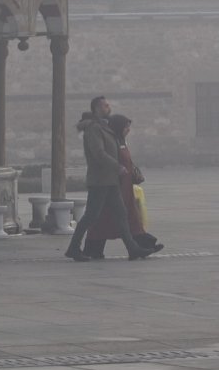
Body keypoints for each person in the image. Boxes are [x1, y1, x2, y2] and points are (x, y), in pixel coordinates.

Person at [64, 97, 154, 262]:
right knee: (91, 216)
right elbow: (98, 153)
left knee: (121, 214)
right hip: (100, 180)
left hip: (110, 180)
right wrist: (117, 166)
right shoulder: (93, 129)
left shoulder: (104, 127)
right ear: (97, 109)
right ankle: (73, 248)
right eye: (106, 105)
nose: (109, 107)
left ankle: (133, 249)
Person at [83, 114, 164, 259]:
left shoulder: (121, 141)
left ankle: (144, 245)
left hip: (125, 187)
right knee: (105, 219)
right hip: (114, 186)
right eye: (126, 127)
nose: (128, 130)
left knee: (130, 218)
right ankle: (92, 249)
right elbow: (106, 160)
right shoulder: (111, 143)